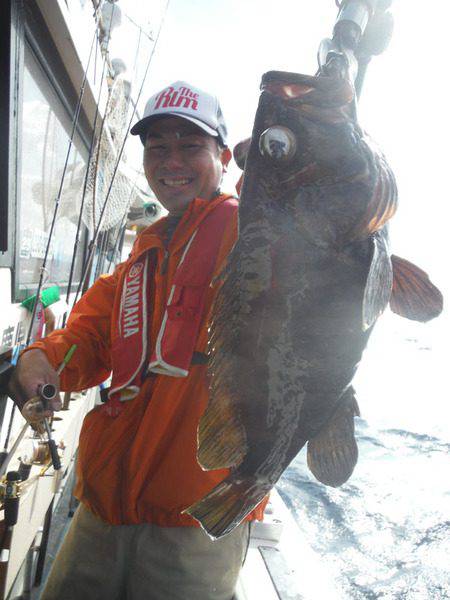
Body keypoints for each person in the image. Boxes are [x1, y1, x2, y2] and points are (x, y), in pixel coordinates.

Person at [8, 81, 267, 600]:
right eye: (157, 148)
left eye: (189, 146)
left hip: (196, 520)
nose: (171, 161)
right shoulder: (142, 256)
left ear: (223, 156)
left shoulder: (253, 233)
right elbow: (91, 336)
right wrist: (42, 356)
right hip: (105, 508)